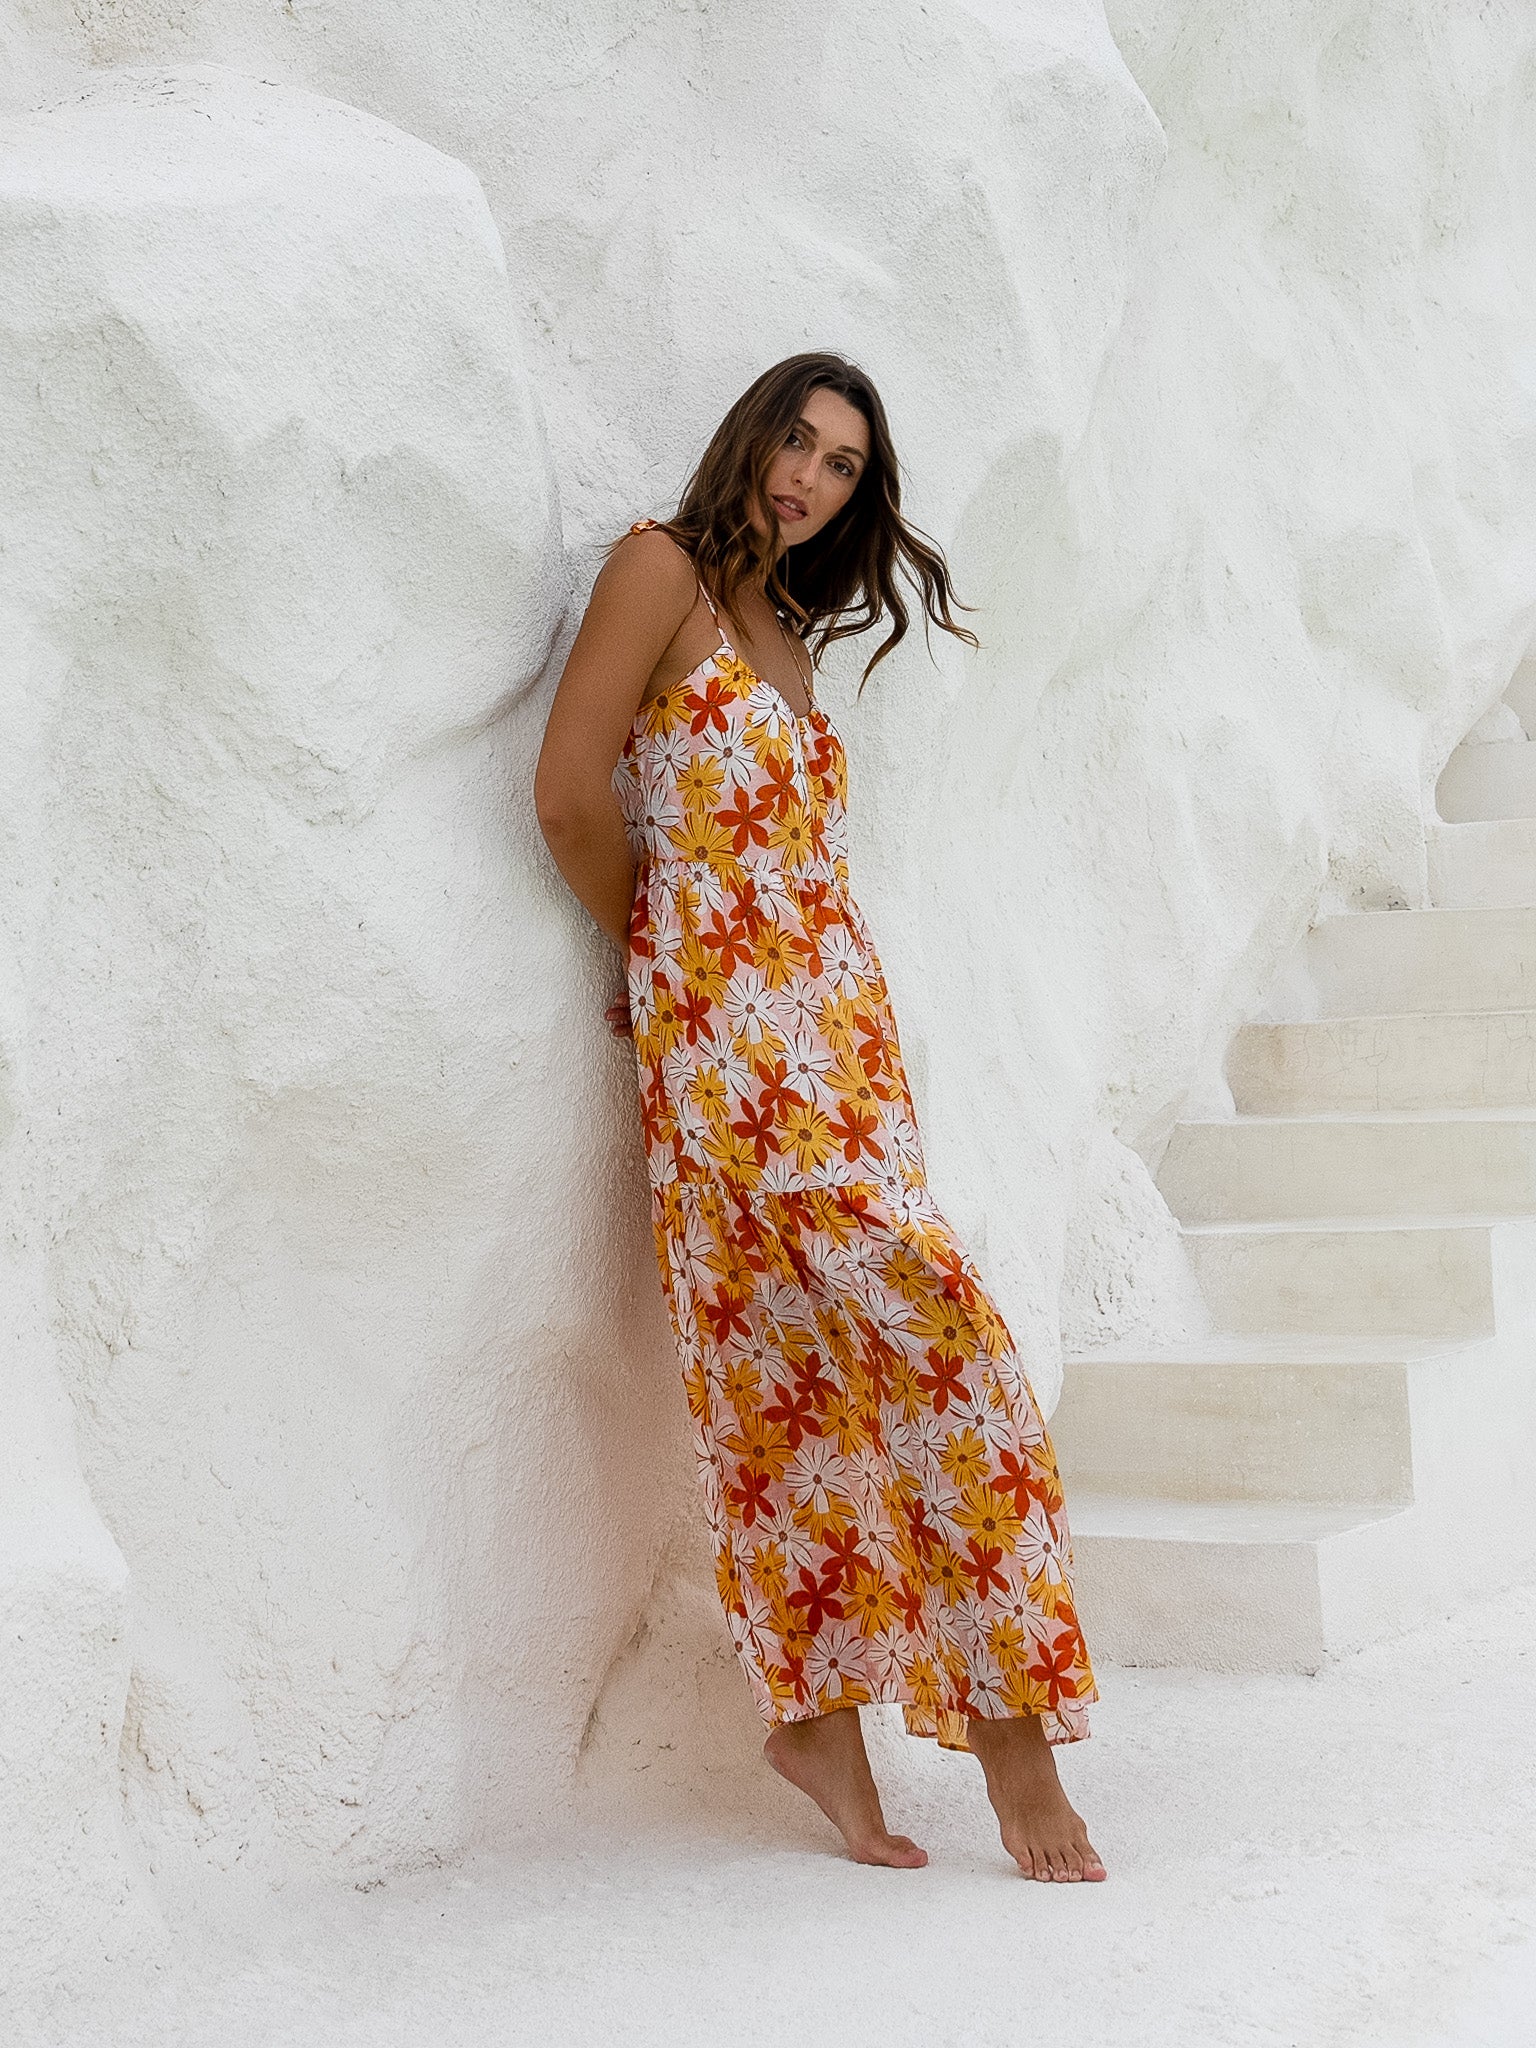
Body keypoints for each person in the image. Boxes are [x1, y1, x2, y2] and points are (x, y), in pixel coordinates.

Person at [534, 352, 1105, 1882]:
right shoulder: (658, 571)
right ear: (750, 434)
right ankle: (993, 1743)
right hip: (731, 1059)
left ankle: (829, 1730)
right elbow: (573, 796)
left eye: (846, 464)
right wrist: (658, 960)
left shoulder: (787, 634)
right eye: (798, 439)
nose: (811, 477)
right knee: (807, 1379)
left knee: (892, 1360)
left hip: (846, 1056)